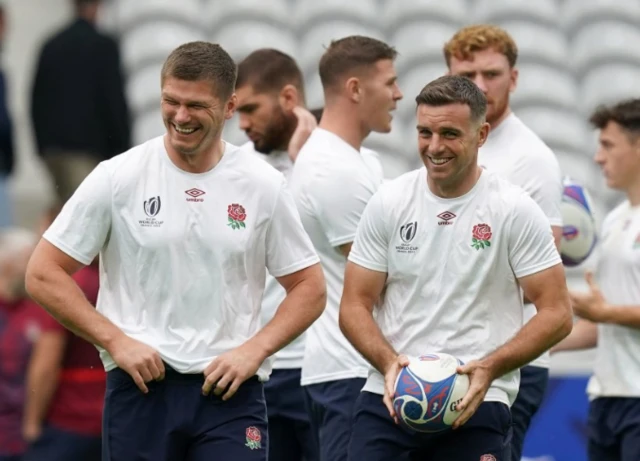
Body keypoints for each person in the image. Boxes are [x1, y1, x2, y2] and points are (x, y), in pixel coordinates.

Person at [24, 41, 326, 461]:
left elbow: (310, 286)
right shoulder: (118, 177)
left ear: (229, 106)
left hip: (232, 392)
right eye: (171, 101)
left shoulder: (262, 184)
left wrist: (254, 350)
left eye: (196, 106)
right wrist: (115, 340)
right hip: (141, 388)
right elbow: (42, 273)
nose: (180, 117)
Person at [339, 75, 573, 460]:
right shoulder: (389, 202)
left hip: (477, 401)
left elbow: (558, 313)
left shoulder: (513, 209)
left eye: (449, 133)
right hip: (392, 399)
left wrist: (490, 367)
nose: (434, 146)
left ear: (481, 135)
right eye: (425, 132)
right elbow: (353, 305)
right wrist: (388, 363)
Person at [443, 24, 564, 460]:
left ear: (513, 79)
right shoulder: (447, 145)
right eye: (466, 75)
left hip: (511, 362)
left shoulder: (530, 160)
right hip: (451, 358)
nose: (479, 86)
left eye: (491, 74)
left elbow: (543, 279)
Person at [289, 35, 403, 461]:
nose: (398, 94)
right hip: (349, 373)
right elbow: (386, 274)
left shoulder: (359, 161)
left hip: (355, 369)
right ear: (355, 89)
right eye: (389, 82)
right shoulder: (332, 169)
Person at [235, 48, 319, 461]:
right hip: (257, 367)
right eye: (237, 111)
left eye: (251, 108)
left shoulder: (344, 166)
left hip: (325, 364)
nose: (243, 122)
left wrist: (307, 163)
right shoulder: (233, 172)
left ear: (288, 99)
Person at [552, 98, 640, 461]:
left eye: (608, 145)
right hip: (606, 397)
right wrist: (538, 346)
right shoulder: (614, 218)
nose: (598, 158)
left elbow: (606, 313)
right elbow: (601, 321)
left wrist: (604, 313)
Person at [22, 203, 103, 461]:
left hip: (68, 422)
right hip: (114, 416)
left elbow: (46, 362)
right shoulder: (109, 278)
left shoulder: (62, 285)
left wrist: (32, 422)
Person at [30, 0, 131, 203]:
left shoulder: (51, 44)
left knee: (65, 211)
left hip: (54, 151)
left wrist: (42, 146)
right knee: (84, 218)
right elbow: (113, 101)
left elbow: (36, 100)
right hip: (87, 151)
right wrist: (122, 149)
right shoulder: (104, 46)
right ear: (98, 6)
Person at [0, 229, 58, 461]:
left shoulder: (39, 311)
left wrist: (32, 423)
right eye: (29, 259)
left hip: (26, 435)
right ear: (9, 263)